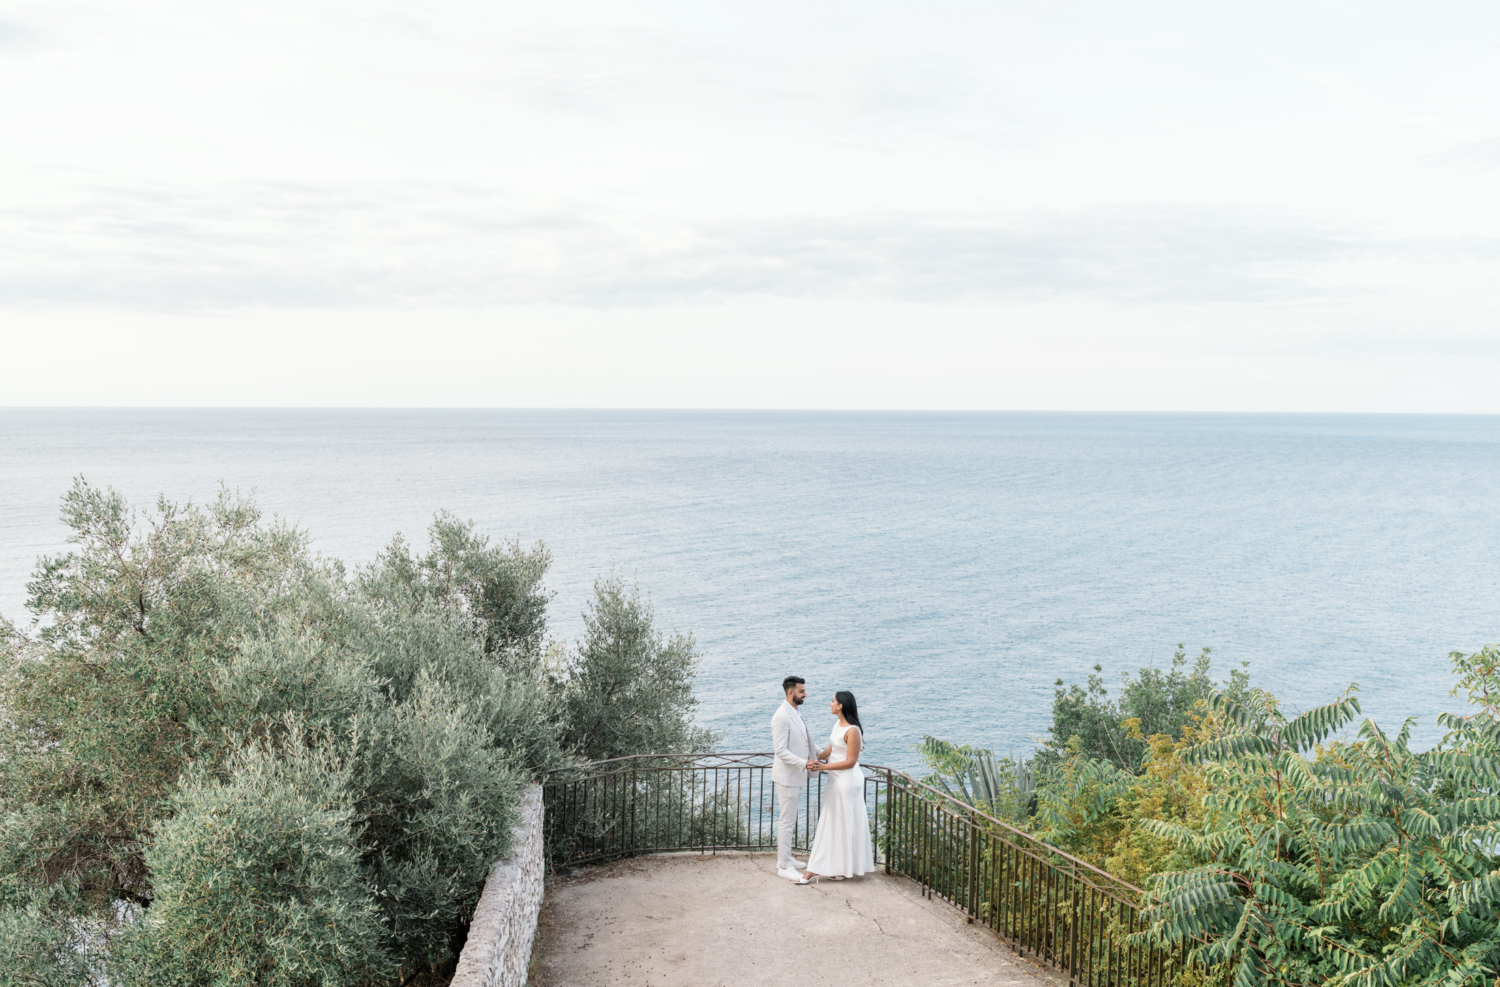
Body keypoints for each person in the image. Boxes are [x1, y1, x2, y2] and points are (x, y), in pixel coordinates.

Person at [795, 691, 874, 884]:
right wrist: (817, 758)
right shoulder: (838, 725)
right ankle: (838, 868)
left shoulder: (853, 731)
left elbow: (850, 762)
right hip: (835, 779)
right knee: (836, 821)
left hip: (848, 781)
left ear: (841, 706)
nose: (829, 703)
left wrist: (823, 766)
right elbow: (833, 748)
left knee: (840, 821)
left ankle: (814, 869)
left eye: (833, 701)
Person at [770, 675, 818, 881]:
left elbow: (806, 743)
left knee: (790, 820)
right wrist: (804, 762)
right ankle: (783, 865)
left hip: (796, 776)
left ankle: (787, 858)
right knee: (786, 821)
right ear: (791, 692)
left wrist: (826, 753)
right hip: (788, 777)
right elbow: (780, 750)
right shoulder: (781, 716)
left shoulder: (795, 712)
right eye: (802, 691)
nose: (805, 694)